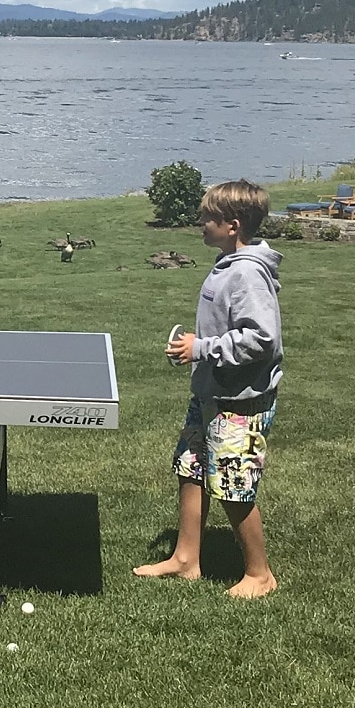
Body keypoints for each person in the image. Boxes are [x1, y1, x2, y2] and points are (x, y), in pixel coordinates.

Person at [135, 178, 282, 597]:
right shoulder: (228, 264)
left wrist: (202, 347)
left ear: (232, 225)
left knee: (235, 486)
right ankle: (186, 559)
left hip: (241, 401)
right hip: (211, 394)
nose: (200, 223)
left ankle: (259, 574)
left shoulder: (249, 275)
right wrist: (195, 351)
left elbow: (261, 339)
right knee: (191, 469)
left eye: (208, 218)